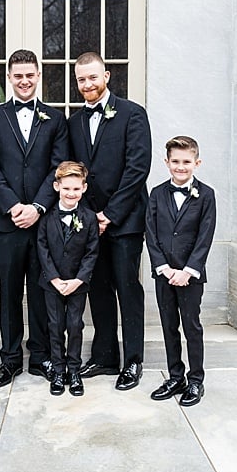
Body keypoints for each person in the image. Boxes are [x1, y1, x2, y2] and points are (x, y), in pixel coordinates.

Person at [0, 49, 67, 386]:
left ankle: (40, 356)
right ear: (9, 78)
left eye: (30, 75)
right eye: (18, 76)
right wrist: (14, 205)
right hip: (6, 221)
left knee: (43, 290)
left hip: (44, 222)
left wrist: (38, 207)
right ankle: (10, 358)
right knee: (10, 291)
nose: (24, 81)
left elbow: (58, 166)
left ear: (38, 75)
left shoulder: (55, 119)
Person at [64, 51, 153, 389]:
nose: (87, 84)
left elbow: (137, 169)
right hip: (89, 222)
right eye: (81, 79)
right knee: (97, 288)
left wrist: (110, 214)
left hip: (125, 221)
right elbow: (73, 172)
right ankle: (104, 356)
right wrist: (89, 216)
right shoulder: (73, 122)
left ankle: (133, 361)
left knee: (127, 288)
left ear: (106, 77)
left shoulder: (132, 114)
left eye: (92, 77)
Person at [145, 136, 217, 406]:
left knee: (191, 326)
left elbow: (205, 236)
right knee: (168, 326)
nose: (180, 167)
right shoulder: (157, 193)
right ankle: (176, 376)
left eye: (186, 162)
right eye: (175, 161)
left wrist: (188, 271)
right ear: (166, 162)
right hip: (165, 274)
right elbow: (150, 233)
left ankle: (196, 379)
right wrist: (163, 268)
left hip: (190, 276)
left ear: (197, 163)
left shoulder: (206, 194)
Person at [37, 161, 101, 397]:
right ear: (56, 187)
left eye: (76, 189)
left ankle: (74, 370)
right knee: (55, 326)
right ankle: (58, 370)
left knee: (75, 325)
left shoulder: (90, 217)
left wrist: (78, 280)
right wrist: (54, 278)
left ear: (84, 188)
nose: (71, 193)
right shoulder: (46, 217)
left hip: (77, 284)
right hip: (52, 284)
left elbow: (92, 252)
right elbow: (41, 249)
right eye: (66, 189)